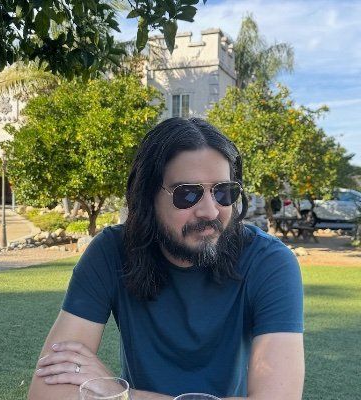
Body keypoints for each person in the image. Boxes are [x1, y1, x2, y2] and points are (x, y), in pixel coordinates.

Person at [28, 118, 304, 400]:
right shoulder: (111, 252)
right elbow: (45, 393)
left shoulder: (268, 261)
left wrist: (123, 395)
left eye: (223, 192)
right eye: (188, 194)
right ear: (147, 197)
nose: (210, 211)